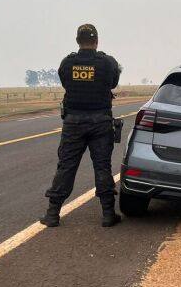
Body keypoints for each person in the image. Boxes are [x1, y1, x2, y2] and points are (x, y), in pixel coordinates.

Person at [39, 24, 122, 228]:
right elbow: (113, 83)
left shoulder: (67, 63)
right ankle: (108, 214)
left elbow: (66, 83)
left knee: (66, 166)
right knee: (102, 166)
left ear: (78, 41)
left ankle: (52, 214)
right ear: (96, 41)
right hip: (100, 122)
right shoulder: (107, 63)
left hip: (74, 122)